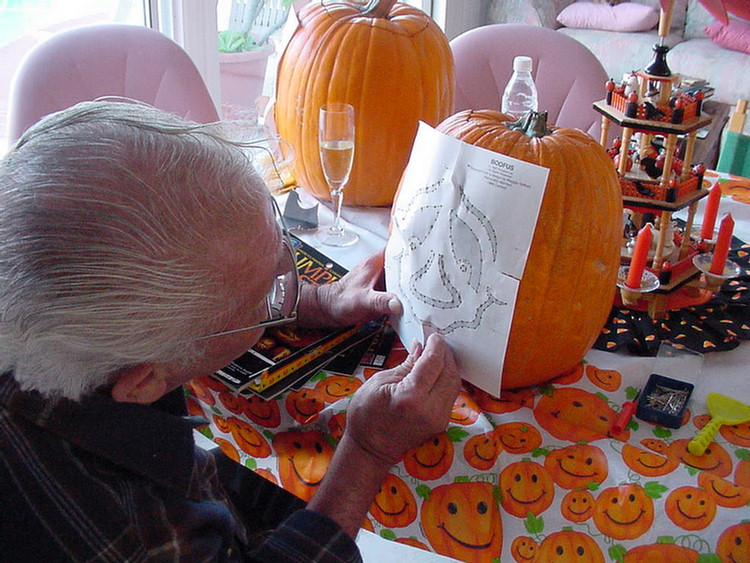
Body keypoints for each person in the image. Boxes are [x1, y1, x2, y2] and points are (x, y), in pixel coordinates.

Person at [0, 101, 461, 563]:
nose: (288, 266)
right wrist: (366, 450)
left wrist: (313, 300)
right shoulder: (138, 535)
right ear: (144, 384)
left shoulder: (71, 324)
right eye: (260, 299)